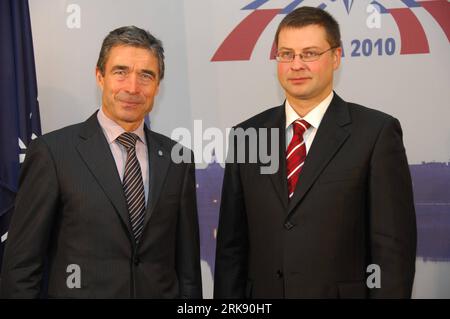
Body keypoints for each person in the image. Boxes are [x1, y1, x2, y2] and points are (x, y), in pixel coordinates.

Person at [214, 7, 416, 298]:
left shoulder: (376, 133)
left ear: (335, 57)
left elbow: (392, 251)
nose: (296, 65)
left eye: (309, 53)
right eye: (286, 54)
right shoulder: (248, 134)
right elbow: (231, 249)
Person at [0, 26, 202, 298]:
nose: (132, 87)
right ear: (100, 76)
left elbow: (187, 270)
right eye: (121, 72)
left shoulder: (179, 158)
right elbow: (21, 269)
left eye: (146, 75)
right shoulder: (53, 153)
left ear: (157, 85)